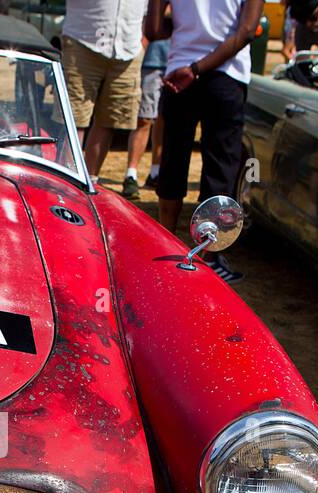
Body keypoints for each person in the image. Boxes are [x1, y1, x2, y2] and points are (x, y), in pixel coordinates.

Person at [148, 0, 262, 284]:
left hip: (179, 70)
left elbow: (153, 29)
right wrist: (198, 69)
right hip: (226, 75)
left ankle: (166, 241)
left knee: (173, 159)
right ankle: (208, 255)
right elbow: (247, 31)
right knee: (220, 165)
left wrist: (192, 64)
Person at [60, 0, 147, 178]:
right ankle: (68, 181)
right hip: (83, 40)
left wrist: (143, 40)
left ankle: (91, 180)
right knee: (73, 119)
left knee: (110, 120)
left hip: (128, 45)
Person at [123, 34, 170, 197]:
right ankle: (131, 175)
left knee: (164, 119)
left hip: (179, 61)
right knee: (144, 119)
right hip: (151, 61)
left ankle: (155, 173)